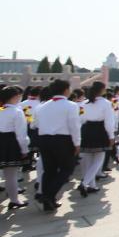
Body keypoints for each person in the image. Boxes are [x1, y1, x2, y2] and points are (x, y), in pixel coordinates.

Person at [33, 79, 81, 211]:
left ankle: (48, 200)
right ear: (66, 90)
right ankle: (48, 195)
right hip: (62, 140)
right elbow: (74, 126)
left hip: (44, 139)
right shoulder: (71, 105)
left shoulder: (41, 106)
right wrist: (77, 143)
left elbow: (34, 124)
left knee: (49, 170)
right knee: (67, 168)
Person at [77, 82, 115, 196]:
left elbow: (81, 119)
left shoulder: (84, 103)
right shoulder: (106, 103)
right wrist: (111, 135)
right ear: (102, 90)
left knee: (88, 160)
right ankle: (85, 183)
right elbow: (109, 121)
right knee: (98, 159)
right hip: (100, 130)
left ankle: (92, 185)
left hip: (87, 129)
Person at [0, 85, 30, 210]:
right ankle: (14, 200)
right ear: (15, 97)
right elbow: (21, 134)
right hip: (10, 143)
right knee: (11, 175)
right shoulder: (17, 112)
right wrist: (24, 150)